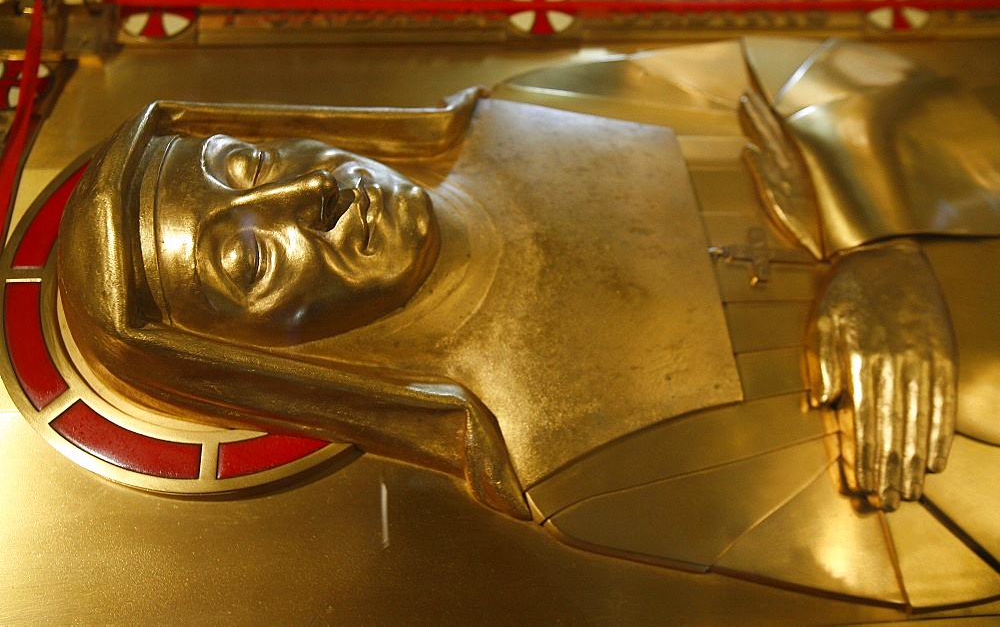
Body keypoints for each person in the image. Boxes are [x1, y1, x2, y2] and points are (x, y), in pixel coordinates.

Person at [56, 40, 998, 600]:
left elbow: (820, 67)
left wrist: (874, 243)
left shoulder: (524, 109)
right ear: (247, 360)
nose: (314, 193)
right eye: (250, 259)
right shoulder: (572, 463)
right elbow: (926, 547)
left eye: (248, 167)